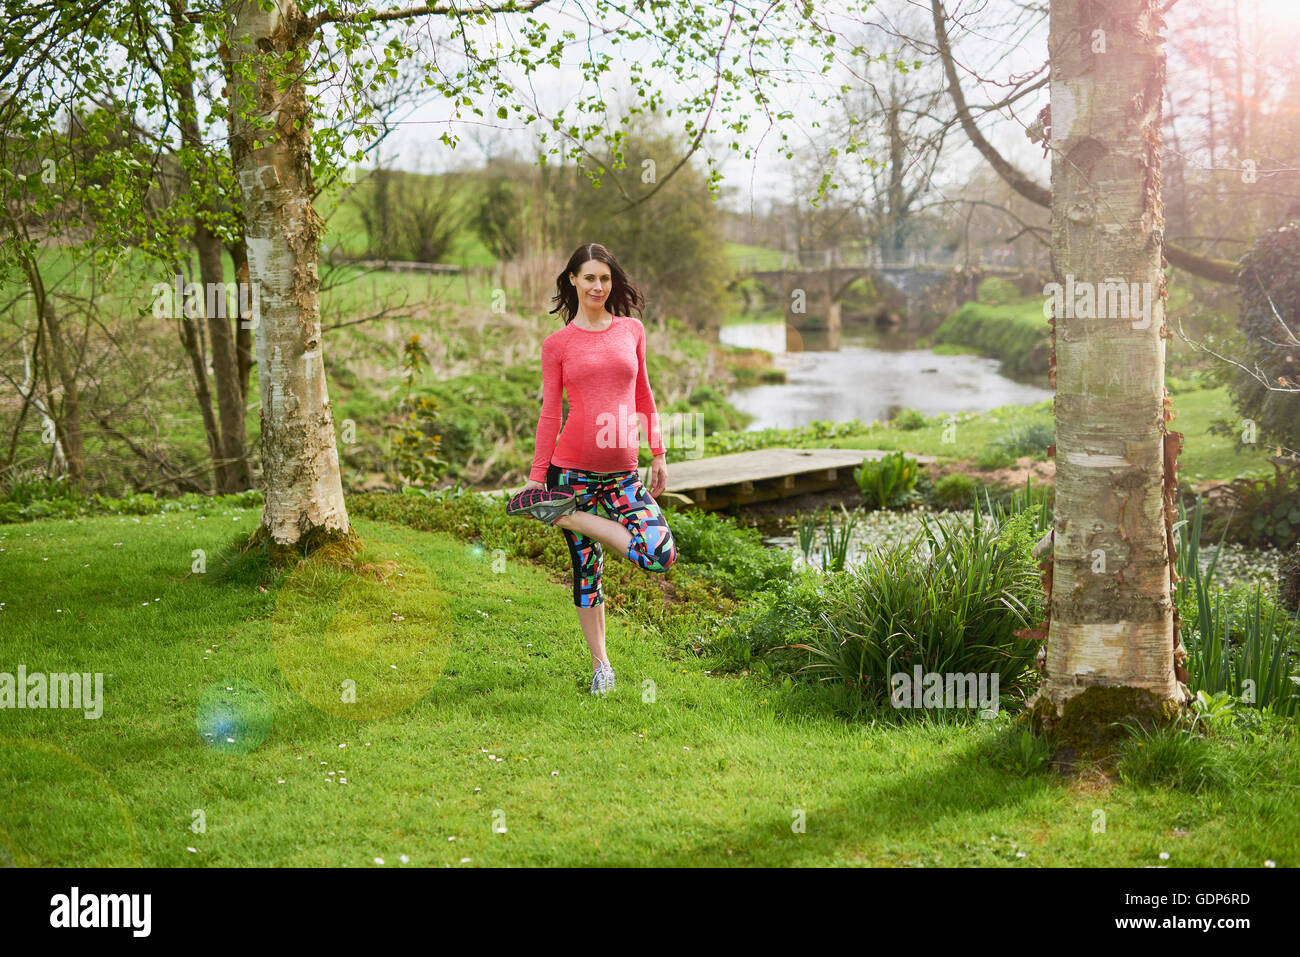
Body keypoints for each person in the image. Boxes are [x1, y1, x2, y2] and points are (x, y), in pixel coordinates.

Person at [506, 243, 677, 695]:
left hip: (623, 475)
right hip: (571, 473)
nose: (598, 286)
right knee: (588, 572)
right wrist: (536, 477)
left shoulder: (631, 330)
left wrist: (657, 451)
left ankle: (560, 513)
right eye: (589, 278)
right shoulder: (557, 344)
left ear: (612, 282)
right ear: (572, 281)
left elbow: (643, 394)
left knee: (658, 554)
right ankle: (602, 666)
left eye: (605, 278)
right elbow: (549, 413)